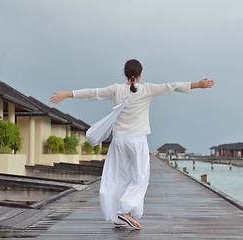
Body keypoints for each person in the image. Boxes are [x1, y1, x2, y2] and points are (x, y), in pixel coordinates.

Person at [49, 59, 215, 230]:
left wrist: (66, 94)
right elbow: (172, 86)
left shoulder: (116, 90)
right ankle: (126, 211)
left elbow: (93, 93)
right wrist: (198, 84)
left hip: (119, 141)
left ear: (125, 74)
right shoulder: (147, 89)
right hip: (137, 140)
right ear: (140, 74)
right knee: (141, 176)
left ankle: (118, 216)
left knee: (119, 177)